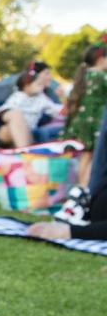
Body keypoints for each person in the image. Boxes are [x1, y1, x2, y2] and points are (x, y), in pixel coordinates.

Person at [51, 45, 107, 225]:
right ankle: (85, 191)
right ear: (101, 59)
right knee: (93, 159)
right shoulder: (101, 77)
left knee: (84, 157)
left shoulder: (83, 75)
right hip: (94, 122)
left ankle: (79, 190)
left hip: (82, 122)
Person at [0, 61, 62, 147]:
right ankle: (24, 151)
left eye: (41, 84)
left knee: (15, 121)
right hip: (8, 125)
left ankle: (24, 151)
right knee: (14, 116)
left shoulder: (42, 98)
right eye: (37, 84)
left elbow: (56, 109)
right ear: (26, 85)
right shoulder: (18, 96)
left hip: (28, 133)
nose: (40, 85)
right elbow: (5, 111)